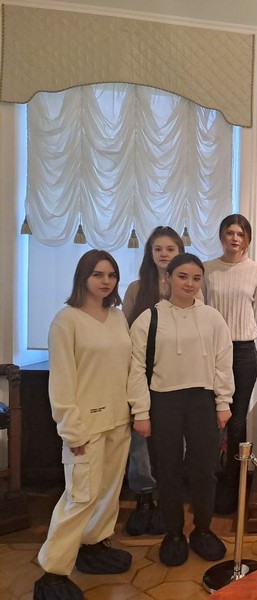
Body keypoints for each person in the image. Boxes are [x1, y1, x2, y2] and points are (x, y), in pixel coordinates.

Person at [35, 250, 145, 600]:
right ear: (83, 277)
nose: (105, 281)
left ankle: (93, 545)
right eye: (98, 274)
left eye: (111, 275)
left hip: (118, 420)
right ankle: (53, 573)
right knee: (80, 497)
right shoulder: (65, 321)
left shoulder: (117, 317)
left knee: (108, 492)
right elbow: (61, 381)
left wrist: (136, 410)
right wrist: (71, 430)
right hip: (85, 426)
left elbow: (129, 368)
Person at [127, 254, 234, 567]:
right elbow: (136, 368)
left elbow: (223, 361)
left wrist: (223, 402)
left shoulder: (212, 318)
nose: (190, 284)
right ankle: (173, 533)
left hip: (202, 400)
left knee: (205, 470)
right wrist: (141, 412)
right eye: (183, 277)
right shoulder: (149, 318)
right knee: (167, 470)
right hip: (163, 401)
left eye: (196, 278)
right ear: (168, 278)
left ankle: (202, 529)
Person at [120, 226, 185, 536]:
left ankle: (166, 496)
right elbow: (124, 333)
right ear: (150, 253)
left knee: (173, 437)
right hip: (141, 373)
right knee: (140, 437)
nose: (164, 254)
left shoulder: (187, 286)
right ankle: (144, 497)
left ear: (179, 252)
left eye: (170, 249)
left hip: (177, 374)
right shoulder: (136, 289)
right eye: (158, 249)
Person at [203, 214, 257, 514]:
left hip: (243, 352)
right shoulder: (207, 270)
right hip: (212, 351)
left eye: (241, 234)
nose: (235, 238)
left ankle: (232, 486)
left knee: (237, 420)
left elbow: (256, 315)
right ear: (221, 235)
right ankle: (208, 482)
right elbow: (202, 311)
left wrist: (237, 335)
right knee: (211, 418)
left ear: (248, 239)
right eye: (230, 232)